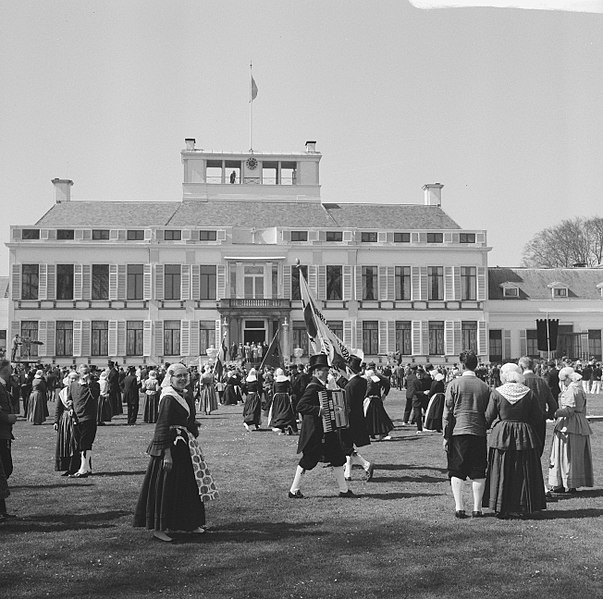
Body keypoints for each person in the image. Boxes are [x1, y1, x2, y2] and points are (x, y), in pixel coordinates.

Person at [134, 363, 217, 542]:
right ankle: (159, 528)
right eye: (178, 376)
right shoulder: (168, 398)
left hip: (184, 448)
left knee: (187, 485)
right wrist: (167, 454)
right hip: (170, 447)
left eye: (185, 376)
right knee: (165, 487)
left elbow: (189, 420)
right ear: (170, 378)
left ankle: (190, 522)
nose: (182, 379)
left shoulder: (184, 395)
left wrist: (192, 431)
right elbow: (162, 426)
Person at [482, 363, 546, 519]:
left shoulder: (497, 393)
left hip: (502, 434)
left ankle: (501, 505)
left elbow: (489, 416)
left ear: (504, 376)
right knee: (523, 470)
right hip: (524, 434)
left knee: (502, 469)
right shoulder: (529, 393)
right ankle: (523, 505)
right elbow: (537, 417)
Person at [288, 354, 354, 499]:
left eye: (327, 370)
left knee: (337, 457)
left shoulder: (321, 386)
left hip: (326, 430)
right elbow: (301, 406)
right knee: (308, 461)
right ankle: (294, 490)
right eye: (324, 370)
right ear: (316, 371)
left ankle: (344, 490)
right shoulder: (313, 387)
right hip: (315, 432)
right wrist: (318, 410)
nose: (327, 372)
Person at [442, 350, 490, 519]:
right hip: (478, 431)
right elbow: (489, 412)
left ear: (462, 364)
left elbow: (447, 413)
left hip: (458, 431)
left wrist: (446, 436)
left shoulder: (454, 384)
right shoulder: (484, 386)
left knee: (457, 470)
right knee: (478, 470)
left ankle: (459, 506)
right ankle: (477, 508)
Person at [548, 367, 594, 495]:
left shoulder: (571, 390)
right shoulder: (579, 388)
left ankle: (564, 483)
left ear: (568, 378)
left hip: (569, 425)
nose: (563, 383)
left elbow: (569, 410)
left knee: (566, 455)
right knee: (575, 455)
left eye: (563, 380)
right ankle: (572, 484)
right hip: (580, 423)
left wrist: (553, 413)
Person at [339, 356, 373, 482]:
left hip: (350, 418)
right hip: (359, 416)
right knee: (348, 446)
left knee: (346, 445)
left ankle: (366, 465)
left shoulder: (350, 386)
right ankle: (347, 473)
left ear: (348, 370)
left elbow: (347, 406)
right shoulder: (362, 382)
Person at [519, 356, 558, 456]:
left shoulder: (521, 381)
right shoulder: (542, 382)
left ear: (521, 367)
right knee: (537, 453)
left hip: (524, 422)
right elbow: (553, 405)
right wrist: (547, 415)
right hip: (540, 420)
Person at [67, 364, 100, 478]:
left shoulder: (95, 385)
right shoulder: (73, 385)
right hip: (77, 417)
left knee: (85, 443)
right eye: (83, 372)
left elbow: (95, 396)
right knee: (79, 444)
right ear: (79, 373)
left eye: (87, 372)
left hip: (89, 417)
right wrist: (70, 408)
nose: (85, 374)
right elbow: (69, 399)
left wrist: (89, 384)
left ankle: (83, 469)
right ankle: (87, 467)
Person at [0, 359, 18, 522]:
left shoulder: (3, 387)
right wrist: (8, 418)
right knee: (5, 469)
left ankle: (2, 511)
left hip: (5, 434)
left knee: (3, 471)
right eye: (9, 370)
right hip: (1, 434)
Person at [54, 372, 81, 476]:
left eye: (75, 379)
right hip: (65, 419)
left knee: (76, 443)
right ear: (68, 379)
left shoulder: (80, 391)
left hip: (77, 418)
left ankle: (77, 466)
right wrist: (56, 421)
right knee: (65, 443)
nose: (73, 380)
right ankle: (66, 467)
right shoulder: (63, 392)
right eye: (71, 379)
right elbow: (58, 408)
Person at [364, 362, 393, 441]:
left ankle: (381, 433)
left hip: (374, 398)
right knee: (370, 417)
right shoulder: (365, 375)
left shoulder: (377, 376)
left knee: (379, 417)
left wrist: (384, 395)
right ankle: (371, 433)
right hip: (368, 399)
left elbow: (387, 383)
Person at [269, 368, 297, 435]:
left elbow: (274, 390)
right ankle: (288, 425)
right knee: (287, 410)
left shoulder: (275, 382)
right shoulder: (287, 381)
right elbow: (291, 390)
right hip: (285, 397)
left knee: (278, 411)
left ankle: (281, 427)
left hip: (277, 398)